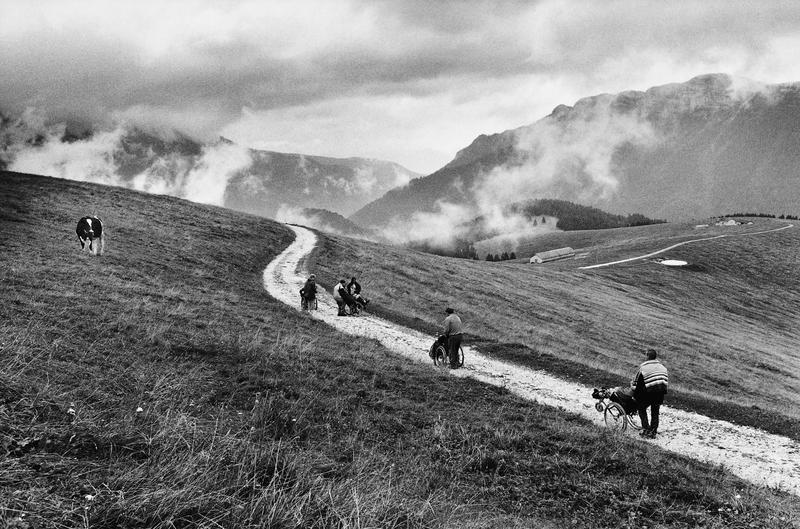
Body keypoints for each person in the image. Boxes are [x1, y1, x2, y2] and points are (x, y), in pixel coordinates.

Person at [632, 349, 669, 439]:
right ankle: (653, 432)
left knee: (641, 408)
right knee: (655, 412)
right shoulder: (663, 367)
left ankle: (646, 429)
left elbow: (637, 383)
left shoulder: (643, 368)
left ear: (647, 356)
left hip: (649, 393)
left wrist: (634, 391)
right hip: (660, 393)